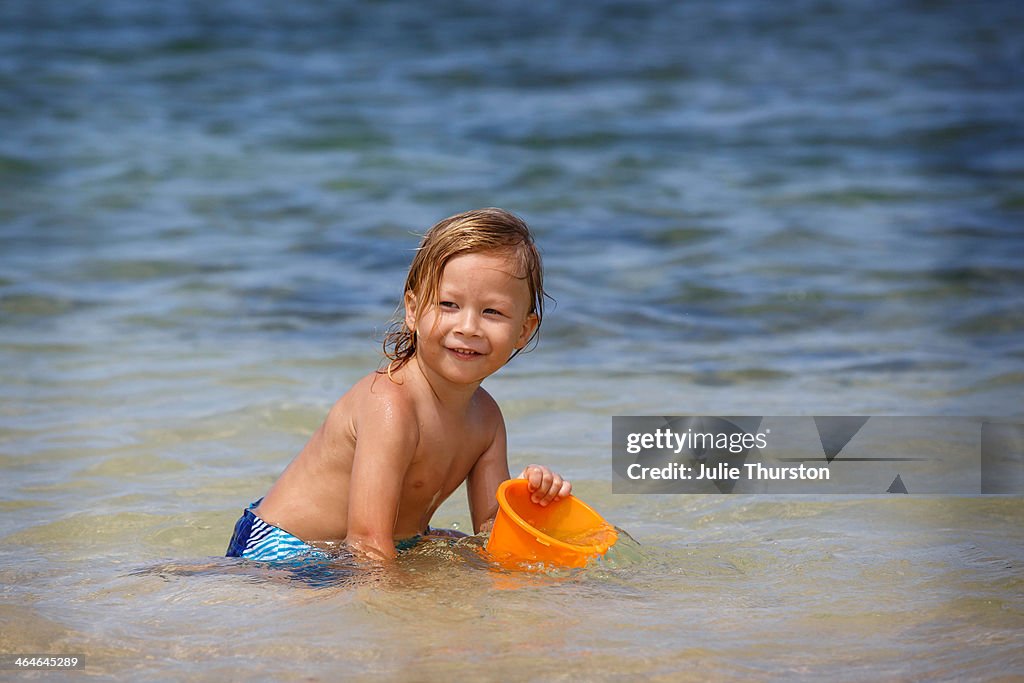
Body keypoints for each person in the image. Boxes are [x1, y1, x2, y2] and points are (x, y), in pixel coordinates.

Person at [227, 208, 572, 562]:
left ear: (524, 331)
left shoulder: (486, 418)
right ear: (412, 309)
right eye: (448, 305)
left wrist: (532, 504)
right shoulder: (391, 404)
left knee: (465, 553)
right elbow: (366, 545)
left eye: (492, 312)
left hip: (375, 544)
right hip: (284, 550)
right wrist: (406, 612)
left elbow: (490, 531)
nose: (468, 326)